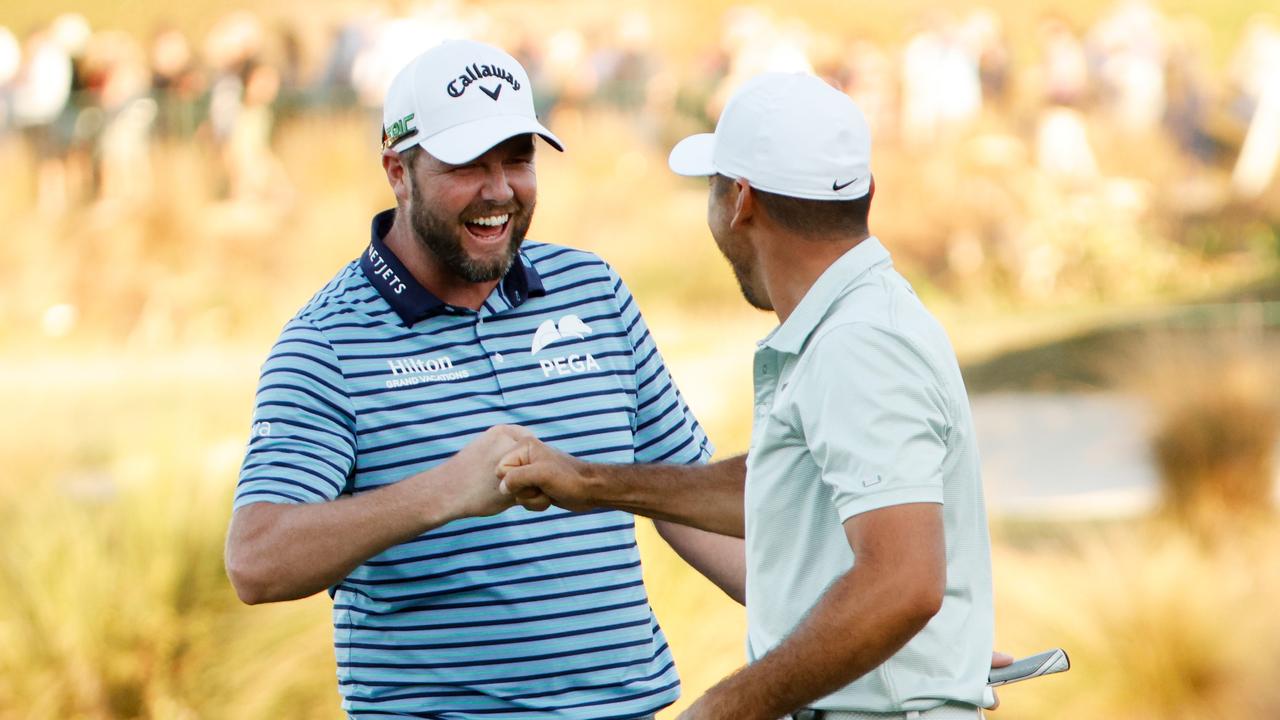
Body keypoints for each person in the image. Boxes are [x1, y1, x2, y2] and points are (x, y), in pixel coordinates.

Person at [224, 39, 744, 719]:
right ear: (398, 170)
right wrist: (443, 491)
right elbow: (257, 560)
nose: (499, 190)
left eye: (518, 160)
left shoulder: (593, 290)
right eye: (468, 164)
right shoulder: (327, 344)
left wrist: (855, 621)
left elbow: (690, 498)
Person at [497, 72, 998, 720]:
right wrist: (589, 482)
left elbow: (903, 584)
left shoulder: (858, 343)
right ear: (863, 193)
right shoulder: (852, 320)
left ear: (740, 200)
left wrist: (723, 708)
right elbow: (779, 495)